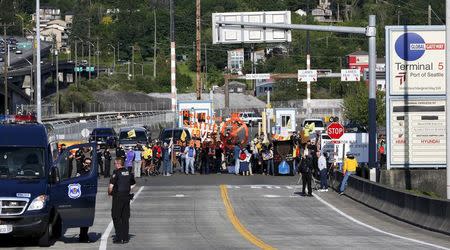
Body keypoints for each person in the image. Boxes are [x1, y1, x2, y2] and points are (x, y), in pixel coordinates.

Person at [108, 158, 136, 244]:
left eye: (115, 163)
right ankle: (125, 237)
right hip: (126, 196)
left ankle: (119, 237)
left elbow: (111, 186)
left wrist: (109, 193)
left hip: (118, 197)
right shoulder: (128, 172)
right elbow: (133, 183)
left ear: (118, 164)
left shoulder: (116, 173)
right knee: (125, 217)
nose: (114, 165)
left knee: (116, 216)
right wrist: (127, 190)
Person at [77, 157, 92, 242]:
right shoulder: (80, 172)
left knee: (87, 218)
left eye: (89, 163)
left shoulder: (91, 172)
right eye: (86, 163)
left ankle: (84, 235)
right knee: (82, 217)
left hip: (89, 197)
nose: (88, 165)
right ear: (83, 163)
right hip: (81, 197)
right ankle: (82, 236)